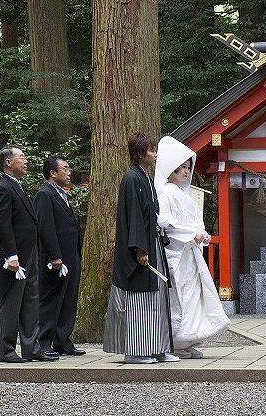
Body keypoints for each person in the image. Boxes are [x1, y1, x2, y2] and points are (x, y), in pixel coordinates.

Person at [103, 132, 177, 365]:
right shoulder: (131, 178)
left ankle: (158, 346)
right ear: (139, 153)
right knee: (140, 301)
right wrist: (139, 249)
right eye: (151, 150)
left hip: (152, 243)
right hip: (140, 247)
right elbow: (134, 217)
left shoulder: (145, 177)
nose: (155, 154)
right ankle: (135, 350)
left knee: (158, 299)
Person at [154, 136, 230, 359]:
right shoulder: (166, 192)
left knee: (193, 297)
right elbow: (166, 224)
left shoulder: (184, 194)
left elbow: (195, 220)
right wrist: (191, 234)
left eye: (188, 167)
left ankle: (189, 338)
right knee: (180, 298)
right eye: (181, 168)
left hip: (190, 254)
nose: (186, 172)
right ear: (171, 170)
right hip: (176, 254)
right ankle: (176, 340)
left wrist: (201, 232)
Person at [0, 145, 50, 363]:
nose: (25, 161)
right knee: (12, 301)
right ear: (8, 162)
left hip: (29, 252)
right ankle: (6, 350)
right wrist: (11, 255)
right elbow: (3, 224)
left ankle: (31, 347)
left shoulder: (18, 186)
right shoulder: (3, 187)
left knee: (30, 300)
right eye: (21, 157)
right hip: (14, 256)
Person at [34, 155, 85, 357]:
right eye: (65, 168)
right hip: (55, 259)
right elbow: (45, 227)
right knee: (51, 300)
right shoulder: (45, 194)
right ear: (52, 173)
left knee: (68, 299)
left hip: (71, 255)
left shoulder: (62, 194)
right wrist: (54, 256)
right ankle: (44, 341)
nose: (69, 171)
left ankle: (62, 340)